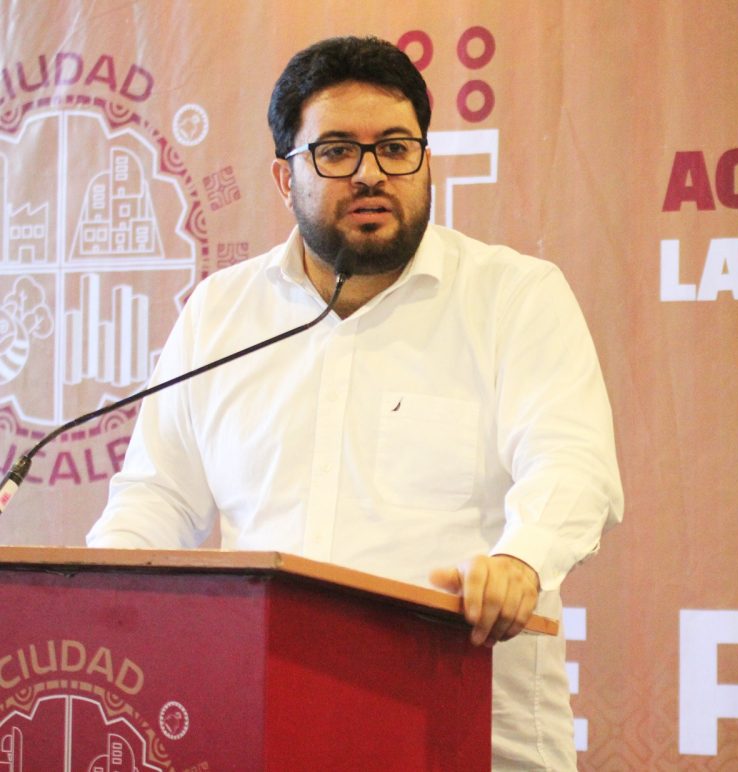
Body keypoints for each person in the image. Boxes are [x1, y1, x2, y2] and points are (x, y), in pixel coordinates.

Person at [87, 35, 623, 770]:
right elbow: (156, 496)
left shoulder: (515, 296)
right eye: (337, 151)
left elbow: (571, 462)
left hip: (468, 731)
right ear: (285, 178)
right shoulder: (220, 313)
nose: (371, 173)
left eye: (396, 148)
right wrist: (97, 601)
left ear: (426, 162)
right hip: (266, 725)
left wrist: (520, 561)